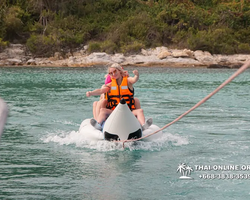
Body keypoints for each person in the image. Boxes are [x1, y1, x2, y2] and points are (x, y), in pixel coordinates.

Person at [86, 63, 152, 131]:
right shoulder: (110, 85)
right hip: (114, 112)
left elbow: (134, 80)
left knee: (140, 111)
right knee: (103, 110)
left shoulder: (128, 81)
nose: (113, 74)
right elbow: (101, 90)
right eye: (111, 73)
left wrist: (137, 75)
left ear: (120, 71)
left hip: (128, 111)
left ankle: (143, 126)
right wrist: (91, 93)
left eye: (115, 71)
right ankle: (99, 125)